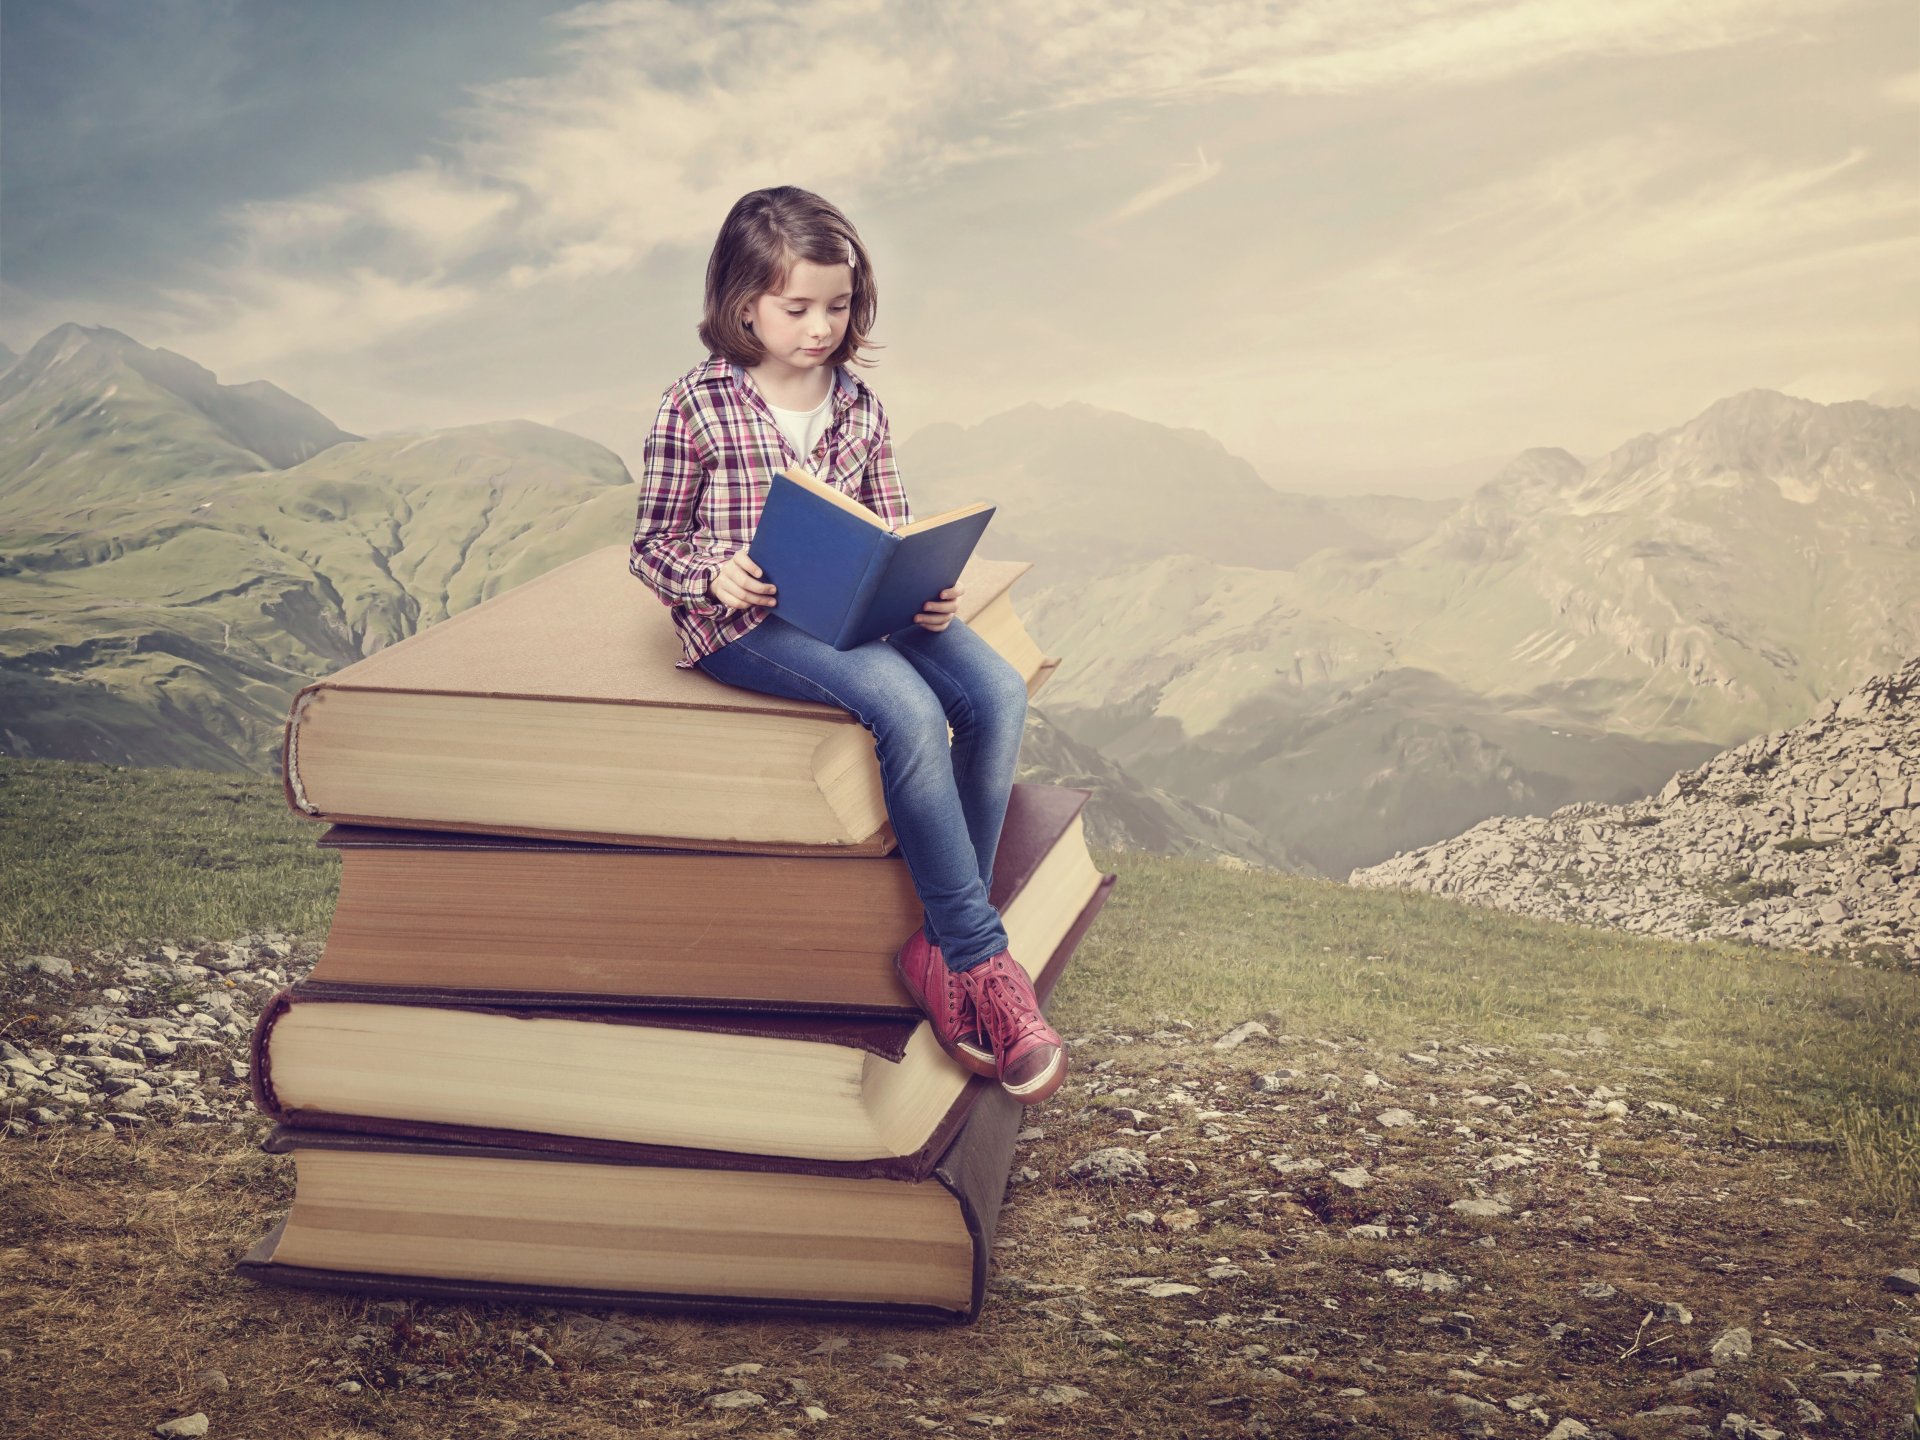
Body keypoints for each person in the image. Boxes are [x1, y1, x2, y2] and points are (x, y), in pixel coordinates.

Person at [628, 186, 1065, 1105]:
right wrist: (712, 575)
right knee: (905, 707)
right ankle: (982, 964)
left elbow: (893, 526)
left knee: (995, 695)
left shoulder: (861, 406)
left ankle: (943, 946)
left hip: (856, 608)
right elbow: (652, 543)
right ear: (744, 301)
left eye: (838, 305)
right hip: (746, 624)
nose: (821, 326)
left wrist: (927, 589)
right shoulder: (695, 406)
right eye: (798, 308)